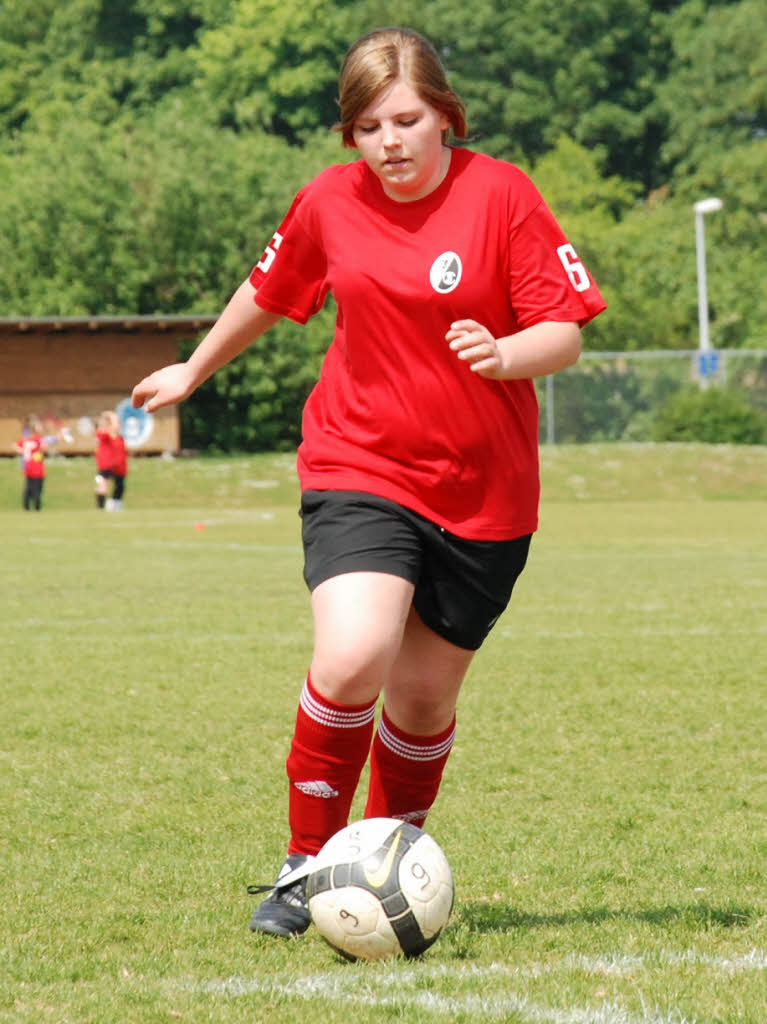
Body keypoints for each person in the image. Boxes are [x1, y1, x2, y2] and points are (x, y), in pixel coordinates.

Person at [131, 27, 606, 939]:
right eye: (366, 125)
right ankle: (304, 863)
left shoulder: (501, 194)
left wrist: (506, 353)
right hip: (361, 464)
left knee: (423, 701)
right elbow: (270, 290)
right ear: (349, 136)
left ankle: (381, 861)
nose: (387, 141)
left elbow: (566, 330)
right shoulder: (329, 200)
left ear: (443, 119)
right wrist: (192, 370)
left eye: (405, 120)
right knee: (353, 657)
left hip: (484, 494)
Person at [94, 411, 128, 510]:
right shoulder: (103, 435)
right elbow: (113, 427)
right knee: (104, 484)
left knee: (120, 486)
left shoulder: (119, 438)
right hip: (106, 464)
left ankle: (114, 504)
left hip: (118, 466)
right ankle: (101, 507)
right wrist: (111, 415)